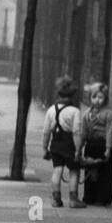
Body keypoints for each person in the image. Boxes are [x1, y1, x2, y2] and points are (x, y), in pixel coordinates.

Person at [41, 76, 84, 209]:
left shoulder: (51, 110)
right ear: (72, 95)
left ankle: (56, 199)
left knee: (57, 170)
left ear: (58, 93)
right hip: (70, 145)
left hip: (56, 144)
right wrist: (78, 149)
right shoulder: (75, 111)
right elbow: (77, 132)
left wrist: (44, 148)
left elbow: (46, 131)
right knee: (74, 171)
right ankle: (73, 199)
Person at [79, 82, 112, 206]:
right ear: (90, 98)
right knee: (90, 172)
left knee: (104, 174)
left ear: (105, 98)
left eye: (100, 97)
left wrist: (108, 148)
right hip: (91, 145)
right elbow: (83, 132)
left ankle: (102, 198)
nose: (97, 100)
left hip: (103, 145)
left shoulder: (108, 114)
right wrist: (79, 147)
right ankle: (89, 196)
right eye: (94, 97)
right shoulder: (86, 114)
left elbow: (109, 131)